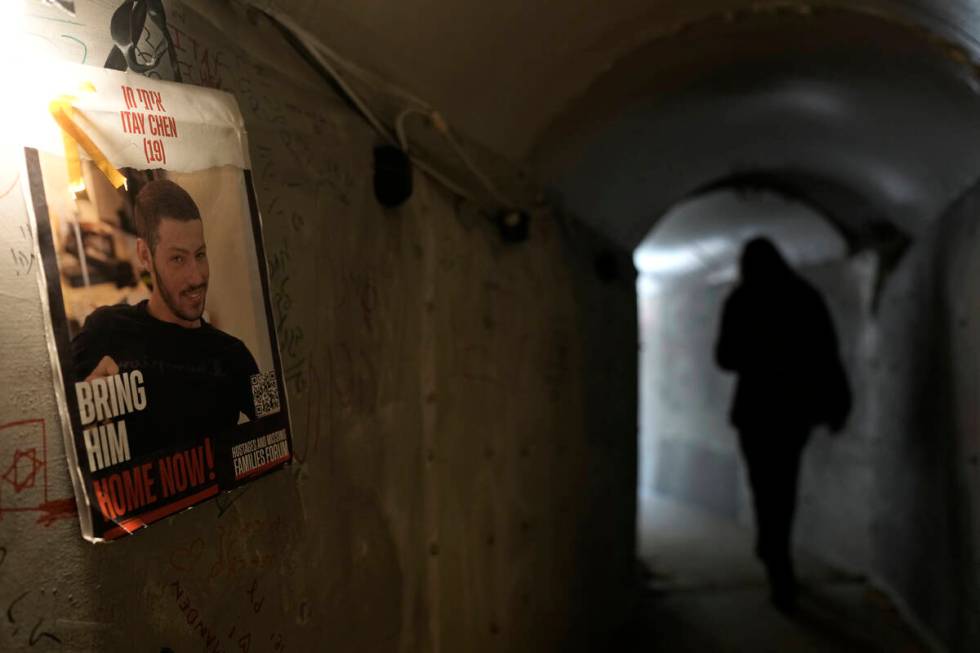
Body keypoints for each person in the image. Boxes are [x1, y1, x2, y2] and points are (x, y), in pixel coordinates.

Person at [71, 179, 258, 458]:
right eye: (178, 259)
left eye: (200, 255)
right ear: (145, 256)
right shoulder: (105, 330)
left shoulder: (235, 355)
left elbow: (282, 434)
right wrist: (82, 409)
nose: (196, 277)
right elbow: (56, 427)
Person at [715, 237, 851, 612]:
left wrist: (755, 355)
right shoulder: (804, 297)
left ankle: (771, 550)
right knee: (784, 486)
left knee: (762, 484)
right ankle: (778, 556)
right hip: (793, 411)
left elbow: (724, 358)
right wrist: (836, 404)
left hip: (755, 412)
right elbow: (826, 353)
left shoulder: (741, 300)